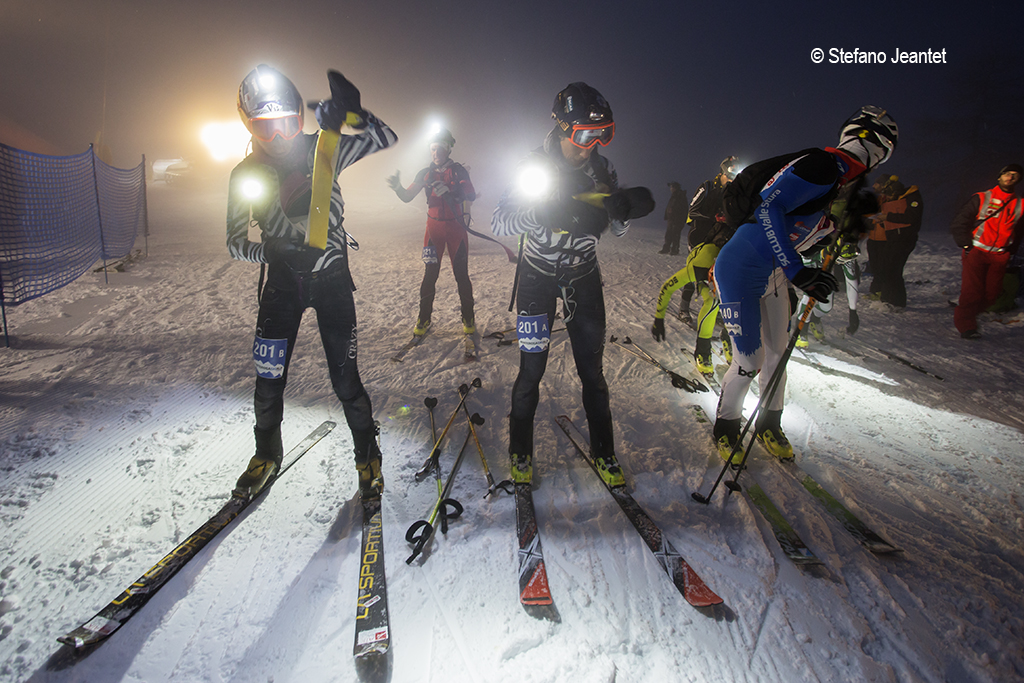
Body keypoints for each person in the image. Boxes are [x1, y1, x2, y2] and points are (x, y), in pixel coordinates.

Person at [227, 65, 397, 500]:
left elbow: (386, 138)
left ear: (299, 121)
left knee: (346, 380)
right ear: (249, 125)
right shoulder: (246, 174)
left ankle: (367, 452)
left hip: (333, 283)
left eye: (287, 125)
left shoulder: (324, 146)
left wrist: (353, 115)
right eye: (267, 129)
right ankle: (266, 452)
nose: (280, 138)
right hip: (282, 287)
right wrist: (271, 251)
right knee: (268, 379)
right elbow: (233, 243)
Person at [712, 106, 897, 462]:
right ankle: (726, 426)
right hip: (739, 270)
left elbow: (798, 230)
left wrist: (832, 242)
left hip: (773, 274)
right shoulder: (825, 165)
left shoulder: (836, 181)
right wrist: (799, 271)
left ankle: (769, 422)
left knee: (778, 356)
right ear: (879, 150)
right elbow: (768, 211)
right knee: (750, 361)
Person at [491, 82, 654, 487]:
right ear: (563, 127)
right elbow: (499, 223)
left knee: (593, 372)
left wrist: (621, 215)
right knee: (531, 370)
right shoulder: (533, 167)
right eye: (584, 134)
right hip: (536, 279)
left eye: (605, 133)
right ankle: (521, 451)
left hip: (583, 277)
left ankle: (605, 453)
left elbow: (613, 232)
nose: (592, 144)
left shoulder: (604, 170)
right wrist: (542, 212)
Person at [386, 128, 477, 336]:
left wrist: (453, 193)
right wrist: (398, 187)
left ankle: (468, 317)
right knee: (429, 276)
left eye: (439, 149)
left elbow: (470, 194)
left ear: (448, 149)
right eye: (432, 149)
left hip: (456, 230)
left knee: (461, 275)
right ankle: (424, 318)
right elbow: (408, 196)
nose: (435, 153)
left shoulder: (458, 170)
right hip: (433, 231)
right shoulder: (425, 172)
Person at [950, 164, 1024, 338]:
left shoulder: (1020, 204)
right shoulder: (982, 197)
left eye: (1015, 175)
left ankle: (969, 313)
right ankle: (967, 326)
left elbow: (1020, 230)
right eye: (1007, 174)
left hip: (999, 254)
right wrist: (967, 245)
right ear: (999, 177)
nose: (1010, 177)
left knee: (992, 295)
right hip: (976, 251)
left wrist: (1010, 250)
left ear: (1019, 180)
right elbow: (959, 222)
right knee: (972, 291)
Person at [651, 223, 733, 373]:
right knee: (712, 302)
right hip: (704, 270)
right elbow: (667, 287)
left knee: (734, 302)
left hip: (727, 270)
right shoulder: (699, 266)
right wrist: (658, 319)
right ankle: (702, 351)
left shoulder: (738, 262)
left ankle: (728, 338)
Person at [677, 157, 738, 324]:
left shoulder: (731, 193)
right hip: (698, 236)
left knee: (715, 275)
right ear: (723, 172)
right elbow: (692, 211)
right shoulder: (707, 187)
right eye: (731, 176)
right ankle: (683, 309)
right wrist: (714, 217)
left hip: (717, 239)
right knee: (693, 272)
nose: (733, 180)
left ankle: (714, 308)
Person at [873, 177, 923, 308]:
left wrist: (888, 217)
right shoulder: (899, 199)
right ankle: (886, 299)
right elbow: (896, 221)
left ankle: (897, 302)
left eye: (888, 195)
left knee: (894, 270)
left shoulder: (913, 199)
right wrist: (884, 222)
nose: (887, 197)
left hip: (904, 240)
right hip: (893, 239)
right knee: (886, 268)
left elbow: (911, 217)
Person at [658, 182, 688, 255]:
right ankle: (666, 248)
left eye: (672, 187)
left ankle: (675, 249)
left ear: (676, 188)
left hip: (677, 220)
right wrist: (667, 216)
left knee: (675, 235)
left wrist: (679, 218)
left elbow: (683, 209)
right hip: (671, 219)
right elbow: (670, 207)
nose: (671, 189)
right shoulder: (674, 196)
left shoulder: (680, 196)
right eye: (671, 187)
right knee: (668, 234)